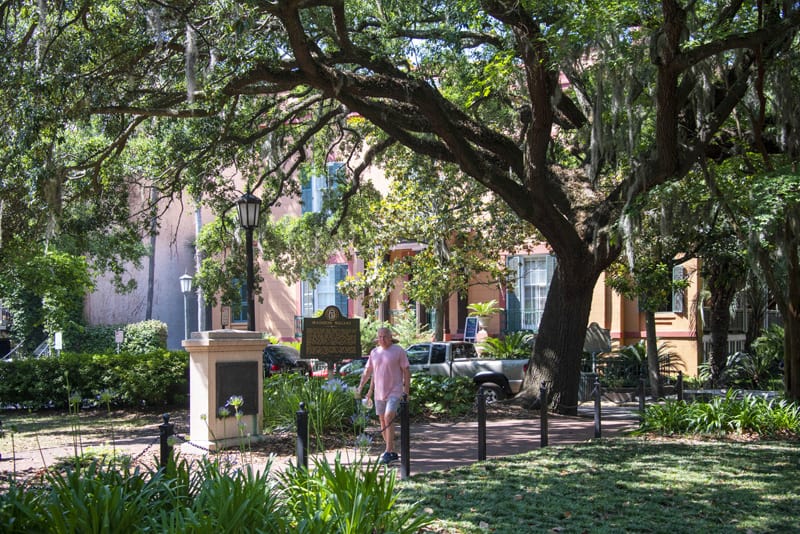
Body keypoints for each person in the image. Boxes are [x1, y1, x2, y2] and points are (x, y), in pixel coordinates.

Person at [357, 327, 410, 464]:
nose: (382, 339)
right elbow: (369, 372)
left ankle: (388, 450)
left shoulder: (398, 351)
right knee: (382, 421)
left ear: (390, 337)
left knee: (388, 416)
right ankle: (391, 450)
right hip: (379, 392)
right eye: (380, 336)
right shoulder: (374, 353)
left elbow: (406, 370)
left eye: (385, 336)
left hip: (395, 390)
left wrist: (406, 391)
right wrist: (362, 387)